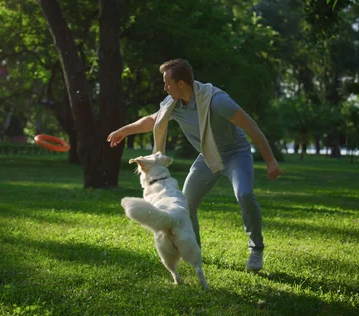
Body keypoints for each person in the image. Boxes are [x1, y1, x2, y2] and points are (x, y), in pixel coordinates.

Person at [107, 58, 282, 271]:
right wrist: (123, 131)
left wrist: (271, 160)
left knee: (244, 194)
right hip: (207, 156)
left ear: (181, 84)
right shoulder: (174, 104)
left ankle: (256, 249)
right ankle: (195, 249)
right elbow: (152, 121)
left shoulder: (217, 101)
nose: (164, 87)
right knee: (186, 204)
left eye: (167, 83)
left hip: (236, 154)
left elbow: (251, 127)